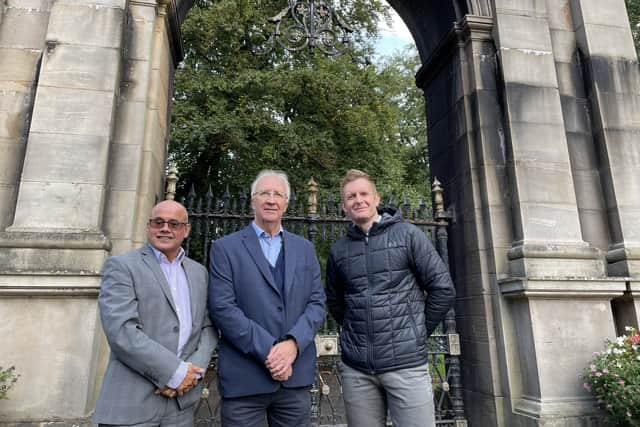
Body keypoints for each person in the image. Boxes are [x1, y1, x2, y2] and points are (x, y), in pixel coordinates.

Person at [326, 169, 456, 427]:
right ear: (343, 206)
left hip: (406, 365)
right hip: (358, 370)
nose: (358, 200)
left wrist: (416, 330)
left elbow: (442, 288)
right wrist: (358, 332)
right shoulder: (338, 251)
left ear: (376, 198)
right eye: (351, 196)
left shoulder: (408, 235)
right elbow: (335, 302)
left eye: (364, 194)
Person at [208, 169, 326, 427]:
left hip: (294, 380)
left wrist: (293, 345)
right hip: (244, 380)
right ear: (253, 201)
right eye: (264, 193)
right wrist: (272, 352)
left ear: (286, 203)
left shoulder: (305, 249)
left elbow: (317, 303)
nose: (271, 199)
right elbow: (222, 308)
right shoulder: (224, 248)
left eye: (278, 194)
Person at [93, 200, 218, 426]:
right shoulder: (122, 266)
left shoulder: (199, 272)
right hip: (132, 404)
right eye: (158, 222)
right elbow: (122, 331)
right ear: (149, 226)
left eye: (173, 223)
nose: (165, 228)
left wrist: (192, 374)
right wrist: (176, 372)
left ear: (186, 230)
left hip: (181, 407)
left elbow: (208, 328)